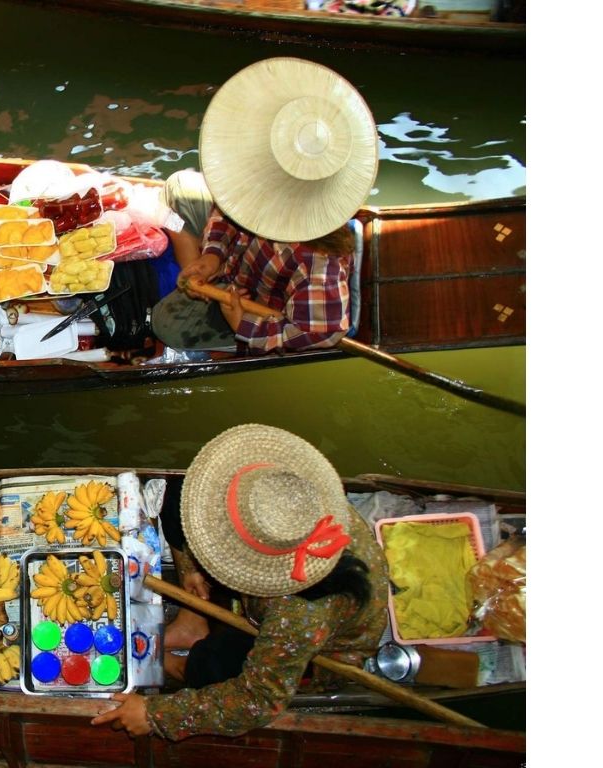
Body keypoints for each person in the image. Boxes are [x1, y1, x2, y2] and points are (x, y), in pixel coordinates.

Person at [92, 423, 389, 740]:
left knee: (217, 663)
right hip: (263, 587)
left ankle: (176, 665)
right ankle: (193, 620)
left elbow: (257, 700)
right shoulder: (292, 502)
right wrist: (191, 568)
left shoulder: (296, 614)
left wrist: (155, 714)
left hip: (315, 645)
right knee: (179, 495)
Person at [149, 57, 379, 356]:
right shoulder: (252, 181)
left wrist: (243, 325)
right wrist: (212, 257)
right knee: (181, 185)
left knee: (166, 325)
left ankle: (229, 338)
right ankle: (206, 283)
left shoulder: (318, 264)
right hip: (234, 271)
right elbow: (226, 208)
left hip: (257, 305)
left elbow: (322, 332)